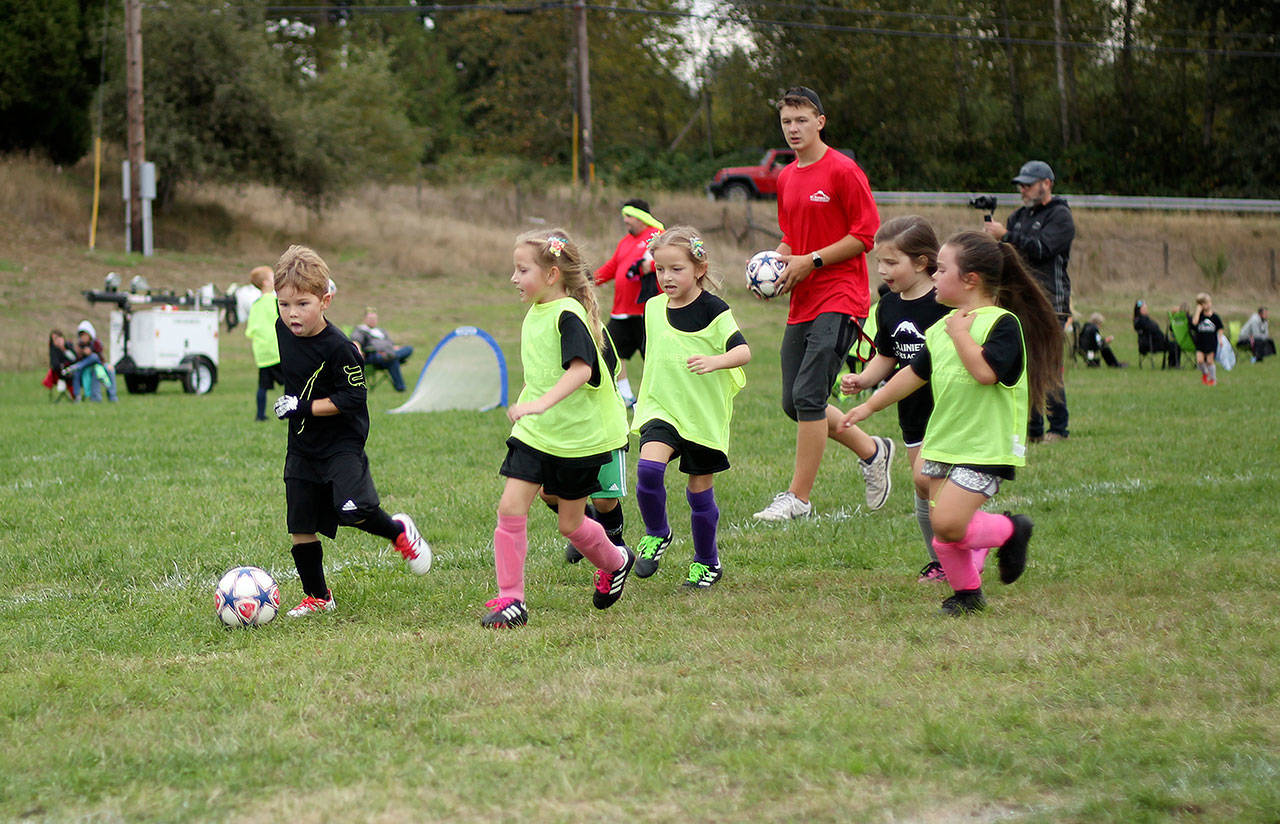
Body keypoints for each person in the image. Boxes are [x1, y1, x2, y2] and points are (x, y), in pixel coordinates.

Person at [841, 231, 1062, 615]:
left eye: (942, 269)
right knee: (943, 529)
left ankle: (1011, 530)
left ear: (970, 280)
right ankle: (967, 595)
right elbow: (914, 374)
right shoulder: (941, 330)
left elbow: (985, 373)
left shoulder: (1002, 324)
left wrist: (960, 332)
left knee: (946, 522)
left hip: (984, 445)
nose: (936, 276)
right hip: (945, 441)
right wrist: (869, 406)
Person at [482, 229, 634, 629]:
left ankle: (616, 561)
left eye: (522, 270)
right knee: (510, 508)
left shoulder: (569, 314)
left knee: (571, 523)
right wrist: (534, 409)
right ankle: (511, 601)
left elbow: (582, 371)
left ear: (552, 274)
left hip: (578, 437)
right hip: (537, 434)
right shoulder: (537, 310)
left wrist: (539, 403)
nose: (514, 278)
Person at [271, 245, 431, 618]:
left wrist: (301, 406)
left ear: (324, 301)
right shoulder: (282, 325)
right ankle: (319, 597)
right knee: (300, 524)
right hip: (302, 444)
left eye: (302, 305)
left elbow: (353, 398)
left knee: (353, 509)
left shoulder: (341, 348)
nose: (292, 314)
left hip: (342, 443)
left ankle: (398, 532)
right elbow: (298, 294)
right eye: (284, 304)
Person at [752, 86, 889, 522]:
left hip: (842, 297)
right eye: (786, 122)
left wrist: (811, 260)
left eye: (801, 120)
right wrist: (774, 267)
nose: (793, 129)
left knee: (809, 396)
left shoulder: (843, 171)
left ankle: (799, 499)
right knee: (794, 403)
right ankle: (871, 450)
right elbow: (791, 236)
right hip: (804, 300)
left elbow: (864, 237)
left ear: (820, 122)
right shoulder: (787, 177)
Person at [630, 227, 751, 589]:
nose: (666, 277)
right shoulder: (652, 308)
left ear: (699, 268)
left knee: (699, 491)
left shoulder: (714, 309)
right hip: (660, 408)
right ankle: (657, 532)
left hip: (701, 415)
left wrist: (716, 361)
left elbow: (743, 352)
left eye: (676, 269)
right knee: (648, 470)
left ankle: (706, 562)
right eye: (660, 269)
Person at [839, 216, 949, 583]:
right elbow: (887, 354)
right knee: (922, 484)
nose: (882, 270)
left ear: (921, 262)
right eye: (879, 262)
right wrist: (864, 378)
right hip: (913, 409)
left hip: (950, 406)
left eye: (891, 262)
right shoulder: (888, 306)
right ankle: (940, 560)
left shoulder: (945, 300)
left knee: (929, 479)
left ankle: (957, 553)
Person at [984, 160, 1073, 442]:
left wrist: (1006, 236)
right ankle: (1032, 430)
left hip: (1050, 303)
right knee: (1021, 364)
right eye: (1020, 184)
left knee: (1048, 364)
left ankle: (1058, 428)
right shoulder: (1018, 217)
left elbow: (1043, 249)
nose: (1022, 189)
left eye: (1028, 184)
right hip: (1018, 302)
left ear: (1047, 184)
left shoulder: (1060, 216)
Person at [594, 197, 665, 406]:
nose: (625, 220)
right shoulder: (625, 242)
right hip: (622, 311)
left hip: (646, 311)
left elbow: (660, 261)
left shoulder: (657, 236)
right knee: (608, 349)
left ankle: (657, 399)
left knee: (654, 358)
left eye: (629, 216)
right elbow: (612, 267)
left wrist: (647, 264)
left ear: (641, 217)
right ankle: (626, 397)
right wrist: (587, 281)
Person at [244, 265, 284, 421]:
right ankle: (290, 412)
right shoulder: (276, 301)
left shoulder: (255, 305)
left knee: (262, 386)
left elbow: (250, 330)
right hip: (277, 351)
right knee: (290, 383)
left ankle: (260, 415)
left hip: (262, 353)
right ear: (267, 282)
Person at [350, 308, 414, 392]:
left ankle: (392, 356)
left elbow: (390, 344)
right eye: (370, 319)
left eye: (375, 319)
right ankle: (400, 387)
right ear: (365, 319)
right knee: (393, 359)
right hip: (373, 355)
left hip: (388, 354)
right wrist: (359, 351)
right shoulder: (360, 330)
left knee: (408, 349)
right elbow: (355, 341)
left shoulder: (380, 331)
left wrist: (395, 348)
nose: (373, 321)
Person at [63, 320, 118, 402]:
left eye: (85, 335)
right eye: (82, 336)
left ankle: (112, 398)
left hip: (99, 364)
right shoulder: (79, 346)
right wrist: (81, 353)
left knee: (104, 365)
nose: (83, 338)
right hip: (86, 367)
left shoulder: (96, 343)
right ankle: (81, 397)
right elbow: (76, 358)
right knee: (85, 370)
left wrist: (90, 352)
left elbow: (99, 357)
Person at [1189, 292, 1225, 386]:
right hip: (1200, 342)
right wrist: (1197, 311)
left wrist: (1220, 339)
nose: (1208, 304)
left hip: (1211, 342)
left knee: (1209, 361)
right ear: (1200, 305)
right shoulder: (1199, 316)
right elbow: (1194, 323)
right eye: (1205, 303)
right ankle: (1205, 373)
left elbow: (1220, 328)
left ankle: (1213, 379)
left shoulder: (1215, 317)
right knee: (1200, 361)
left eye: (1209, 302)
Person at [1132, 299, 1178, 367]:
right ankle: (1173, 365)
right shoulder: (1143, 320)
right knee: (1175, 345)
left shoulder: (1137, 321)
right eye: (1144, 308)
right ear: (1140, 310)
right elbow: (1154, 330)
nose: (1146, 310)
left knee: (1172, 344)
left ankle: (1172, 364)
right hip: (1152, 345)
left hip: (1143, 345)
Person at [44, 329, 77, 399]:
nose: (57, 341)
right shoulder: (53, 350)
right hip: (59, 372)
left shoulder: (68, 345)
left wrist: (64, 349)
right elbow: (55, 364)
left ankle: (76, 395)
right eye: (55, 339)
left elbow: (74, 358)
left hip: (73, 369)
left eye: (58, 338)